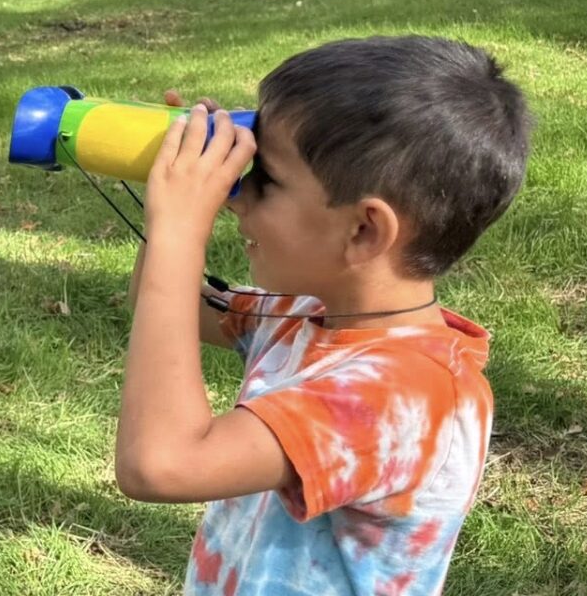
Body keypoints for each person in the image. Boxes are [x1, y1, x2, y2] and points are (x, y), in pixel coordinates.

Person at [114, 36, 533, 595]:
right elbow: (170, 306)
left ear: (363, 230)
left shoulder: (402, 397)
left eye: (267, 179)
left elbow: (163, 464)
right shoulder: (311, 315)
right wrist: (180, 192)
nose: (239, 197)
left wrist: (180, 229)